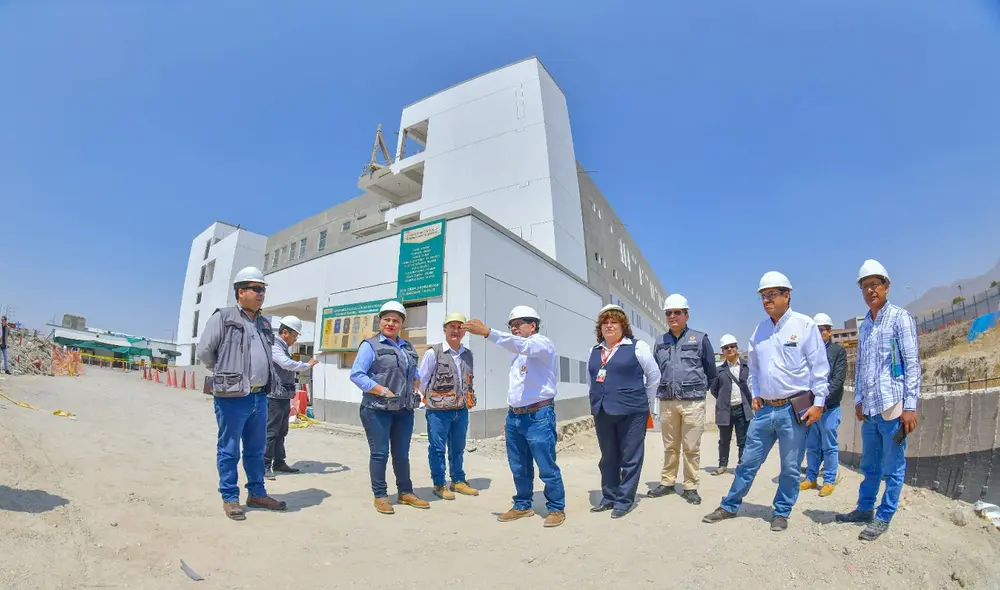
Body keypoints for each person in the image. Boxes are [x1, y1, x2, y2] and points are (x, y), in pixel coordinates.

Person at [703, 271, 829, 532]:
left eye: (772, 294)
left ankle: (781, 511)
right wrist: (756, 393)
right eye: (763, 296)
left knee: (791, 467)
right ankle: (729, 505)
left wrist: (818, 403)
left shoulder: (804, 326)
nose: (767, 300)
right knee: (748, 461)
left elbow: (819, 369)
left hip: (794, 410)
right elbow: (756, 371)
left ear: (787, 295)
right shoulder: (759, 331)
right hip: (765, 412)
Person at [836, 260, 921, 541]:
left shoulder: (900, 318)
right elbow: (861, 366)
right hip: (871, 410)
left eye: (875, 284)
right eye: (865, 286)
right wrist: (859, 399)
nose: (870, 290)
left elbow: (912, 364)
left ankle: (884, 517)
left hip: (894, 410)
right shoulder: (866, 325)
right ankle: (864, 509)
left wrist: (910, 406)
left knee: (893, 466)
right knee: (869, 465)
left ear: (886, 286)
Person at [196, 266, 288, 521]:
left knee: (256, 450)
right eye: (256, 289)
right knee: (229, 449)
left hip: (260, 396)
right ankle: (230, 497)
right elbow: (204, 351)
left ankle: (257, 493)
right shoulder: (223, 318)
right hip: (232, 397)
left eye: (263, 290)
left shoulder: (264, 323)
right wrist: (225, 372)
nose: (261, 294)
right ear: (240, 292)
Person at [463, 306, 566, 528]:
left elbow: (521, 344)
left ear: (533, 325)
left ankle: (556, 508)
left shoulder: (541, 344)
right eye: (511, 325)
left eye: (519, 323)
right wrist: (511, 416)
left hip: (539, 415)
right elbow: (518, 388)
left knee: (546, 466)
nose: (514, 328)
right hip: (516, 416)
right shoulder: (518, 355)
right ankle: (522, 505)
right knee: (519, 465)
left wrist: (487, 332)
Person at [349, 300, 430, 515]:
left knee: (402, 454)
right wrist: (381, 390)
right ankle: (381, 495)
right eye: (387, 319)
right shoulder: (370, 345)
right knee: (380, 454)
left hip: (403, 410)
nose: (391, 323)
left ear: (402, 324)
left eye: (396, 320)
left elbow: (415, 371)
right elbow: (357, 375)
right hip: (377, 409)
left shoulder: (408, 347)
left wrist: (416, 380)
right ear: (380, 321)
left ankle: (405, 492)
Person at [587, 304, 661, 519]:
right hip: (602, 410)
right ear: (600, 328)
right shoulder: (594, 351)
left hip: (632, 411)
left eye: (614, 322)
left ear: (623, 326)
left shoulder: (637, 347)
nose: (609, 326)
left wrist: (643, 400)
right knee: (608, 456)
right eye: (605, 323)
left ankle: (624, 500)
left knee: (630, 456)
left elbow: (654, 376)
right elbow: (590, 380)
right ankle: (608, 497)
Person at [648, 294, 717, 506]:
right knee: (670, 445)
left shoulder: (700, 338)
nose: (672, 316)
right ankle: (668, 482)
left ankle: (690, 486)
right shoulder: (660, 342)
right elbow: (654, 371)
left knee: (691, 447)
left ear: (686, 315)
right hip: (668, 402)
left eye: (677, 312)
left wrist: (699, 394)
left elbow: (711, 371)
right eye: (669, 313)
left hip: (692, 402)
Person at [417, 312, 479, 500]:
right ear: (445, 329)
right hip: (438, 411)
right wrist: (423, 404)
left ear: (464, 332)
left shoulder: (468, 355)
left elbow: (468, 381)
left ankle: (458, 481)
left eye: (459, 327)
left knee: (458, 447)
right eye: (452, 326)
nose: (456, 330)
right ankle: (439, 483)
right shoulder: (433, 353)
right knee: (437, 448)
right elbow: (422, 380)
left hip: (461, 410)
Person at [265, 315, 319, 480]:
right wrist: (307, 365)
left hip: (283, 395)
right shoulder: (275, 345)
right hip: (274, 396)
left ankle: (279, 462)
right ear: (285, 332)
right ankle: (264, 465)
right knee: (271, 432)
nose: (295, 340)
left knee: (282, 431)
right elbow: (286, 364)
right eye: (294, 336)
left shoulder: (282, 346)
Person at [800, 312, 847, 497]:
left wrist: (821, 402)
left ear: (830, 331)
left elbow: (837, 380)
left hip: (829, 408)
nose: (820, 334)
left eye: (823, 330)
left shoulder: (837, 351)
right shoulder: (808, 351)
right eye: (817, 330)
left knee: (829, 446)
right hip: (811, 409)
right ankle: (811, 478)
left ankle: (828, 480)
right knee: (811, 446)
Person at [709, 334, 752, 476]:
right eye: (726, 348)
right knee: (724, 439)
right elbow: (714, 390)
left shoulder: (747, 366)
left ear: (737, 347)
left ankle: (742, 465)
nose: (730, 349)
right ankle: (722, 465)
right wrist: (723, 400)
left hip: (742, 408)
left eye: (732, 346)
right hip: (725, 410)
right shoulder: (719, 370)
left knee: (743, 440)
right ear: (723, 351)